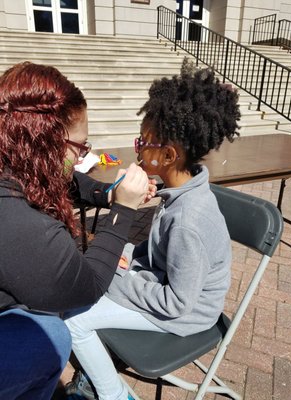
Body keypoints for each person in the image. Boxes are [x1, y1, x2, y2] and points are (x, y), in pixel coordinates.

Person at [64, 60, 241, 400]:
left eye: (143, 142)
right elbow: (156, 253)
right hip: (161, 287)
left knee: (74, 320)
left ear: (169, 154)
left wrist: (119, 280)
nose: (138, 147)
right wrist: (124, 256)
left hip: (185, 316)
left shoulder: (189, 220)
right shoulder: (179, 193)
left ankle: (115, 394)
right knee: (93, 282)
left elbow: (177, 304)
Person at [0, 61, 150, 400]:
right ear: (43, 142)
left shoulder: (12, 156)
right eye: (79, 147)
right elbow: (87, 285)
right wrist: (123, 211)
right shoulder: (16, 220)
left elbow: (70, 175)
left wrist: (108, 193)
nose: (84, 154)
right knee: (52, 335)